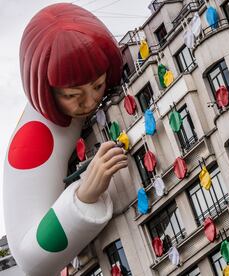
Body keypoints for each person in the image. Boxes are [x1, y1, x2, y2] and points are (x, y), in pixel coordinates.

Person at [3, 3, 127, 275]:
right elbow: (28, 256)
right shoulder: (33, 140)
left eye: (97, 85)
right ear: (48, 91)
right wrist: (84, 196)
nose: (91, 100)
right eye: (72, 95)